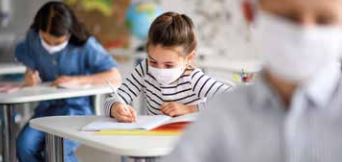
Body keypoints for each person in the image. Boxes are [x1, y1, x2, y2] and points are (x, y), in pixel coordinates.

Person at [162, 0, 342, 161]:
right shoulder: (221, 115)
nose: (305, 34)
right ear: (250, 13)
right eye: (288, 18)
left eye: (325, 20)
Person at [15, 2, 121, 162]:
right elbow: (25, 57)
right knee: (24, 145)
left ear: (69, 33)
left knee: (59, 151)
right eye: (46, 40)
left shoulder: (86, 45)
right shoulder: (33, 38)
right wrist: (29, 74)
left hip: (76, 110)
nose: (51, 46)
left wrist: (78, 80)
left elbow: (114, 76)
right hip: (45, 109)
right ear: (39, 31)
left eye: (57, 43)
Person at [104, 12, 233, 122]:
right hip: (155, 140)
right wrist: (116, 107)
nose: (159, 70)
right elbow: (115, 97)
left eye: (169, 65)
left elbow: (232, 98)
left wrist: (189, 109)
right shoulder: (144, 69)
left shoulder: (192, 78)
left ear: (189, 58)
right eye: (153, 61)